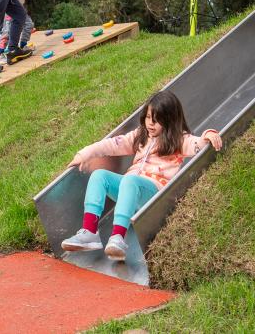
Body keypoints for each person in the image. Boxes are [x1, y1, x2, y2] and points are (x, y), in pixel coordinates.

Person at [61, 91, 222, 261]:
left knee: (130, 180)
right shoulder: (141, 135)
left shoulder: (179, 140)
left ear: (170, 120)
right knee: (99, 175)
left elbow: (197, 144)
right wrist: (84, 154)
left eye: (157, 119)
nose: (150, 124)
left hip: (152, 196)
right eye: (147, 117)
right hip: (129, 191)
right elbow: (112, 145)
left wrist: (208, 135)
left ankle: (118, 238)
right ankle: (89, 232)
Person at [0, 0, 34, 64]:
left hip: (20, 9)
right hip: (10, 9)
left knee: (29, 24)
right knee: (7, 31)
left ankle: (23, 46)